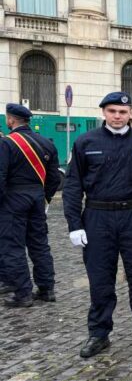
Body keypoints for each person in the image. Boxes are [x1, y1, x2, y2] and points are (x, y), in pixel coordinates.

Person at [62, 92, 132, 358]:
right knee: (100, 280)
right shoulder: (85, 142)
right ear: (104, 112)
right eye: (113, 111)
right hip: (97, 217)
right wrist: (74, 224)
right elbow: (72, 186)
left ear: (131, 114)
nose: (118, 116)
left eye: (123, 112)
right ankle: (99, 334)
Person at [0, 103, 62, 307]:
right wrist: (44, 198)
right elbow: (54, 178)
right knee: (39, 244)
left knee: (13, 246)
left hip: (13, 199)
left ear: (11, 120)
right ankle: (46, 289)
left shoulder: (7, 143)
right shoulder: (47, 143)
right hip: (37, 198)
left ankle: (22, 294)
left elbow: (1, 176)